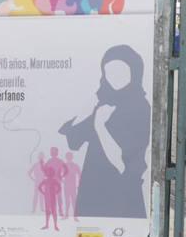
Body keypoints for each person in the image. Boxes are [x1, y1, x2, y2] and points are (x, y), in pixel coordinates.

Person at [59, 45, 150, 218]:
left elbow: (123, 163)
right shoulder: (104, 102)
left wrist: (100, 126)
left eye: (121, 72)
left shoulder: (139, 107)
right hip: (93, 190)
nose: (114, 78)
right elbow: (73, 139)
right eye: (109, 72)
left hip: (121, 195)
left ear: (134, 72)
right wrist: (90, 106)